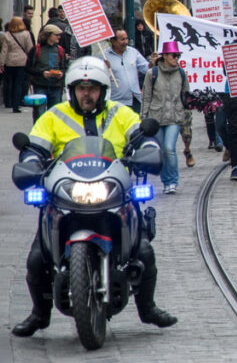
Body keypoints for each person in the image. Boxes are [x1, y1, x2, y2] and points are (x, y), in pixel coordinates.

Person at [11, 57, 176, 337]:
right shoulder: (54, 115)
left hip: (114, 192)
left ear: (103, 90)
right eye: (81, 88)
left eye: (93, 88)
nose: (87, 93)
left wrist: (149, 150)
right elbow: (34, 148)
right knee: (38, 258)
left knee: (144, 251)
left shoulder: (120, 114)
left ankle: (147, 308)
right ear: (71, 89)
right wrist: (30, 161)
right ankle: (39, 314)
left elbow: (143, 138)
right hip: (66, 195)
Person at [141, 41, 189, 194]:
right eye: (174, 55)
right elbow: (146, 97)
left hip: (174, 117)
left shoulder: (181, 73)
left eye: (178, 55)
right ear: (165, 56)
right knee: (161, 150)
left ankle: (173, 181)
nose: (176, 58)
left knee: (169, 148)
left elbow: (186, 94)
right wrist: (144, 119)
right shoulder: (152, 73)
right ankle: (166, 181)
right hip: (156, 117)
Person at [102, 28, 150, 113]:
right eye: (122, 39)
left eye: (126, 38)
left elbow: (146, 68)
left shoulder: (133, 52)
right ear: (113, 41)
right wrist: (105, 68)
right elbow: (100, 79)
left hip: (135, 100)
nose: (126, 42)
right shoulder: (104, 57)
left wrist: (153, 63)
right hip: (116, 102)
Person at [26, 24, 67, 109]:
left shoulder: (60, 50)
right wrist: (42, 73)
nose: (59, 37)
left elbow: (64, 67)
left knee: (54, 115)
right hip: (40, 86)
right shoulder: (36, 49)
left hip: (56, 86)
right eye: (56, 35)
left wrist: (62, 73)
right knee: (39, 113)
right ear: (48, 35)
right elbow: (28, 68)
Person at [1, 17, 33, 112]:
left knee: (9, 82)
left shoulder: (7, 35)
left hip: (9, 62)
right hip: (22, 61)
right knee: (18, 84)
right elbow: (30, 48)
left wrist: (1, 63)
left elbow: (4, 51)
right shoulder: (26, 34)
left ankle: (8, 102)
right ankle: (16, 105)